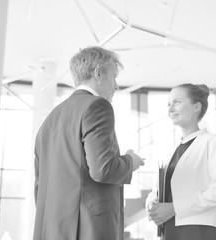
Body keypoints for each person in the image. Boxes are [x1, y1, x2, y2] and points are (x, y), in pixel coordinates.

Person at [33, 46, 144, 240]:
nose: (116, 85)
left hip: (51, 230)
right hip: (88, 229)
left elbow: (39, 184)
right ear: (98, 73)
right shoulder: (97, 106)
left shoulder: (49, 120)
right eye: (113, 76)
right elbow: (103, 169)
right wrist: (131, 161)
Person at [146, 83, 216, 240]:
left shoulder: (213, 143)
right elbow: (158, 190)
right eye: (168, 104)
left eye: (177, 102)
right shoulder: (171, 151)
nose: (170, 109)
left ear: (196, 107)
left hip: (199, 230)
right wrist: (152, 203)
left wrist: (174, 208)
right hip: (170, 229)